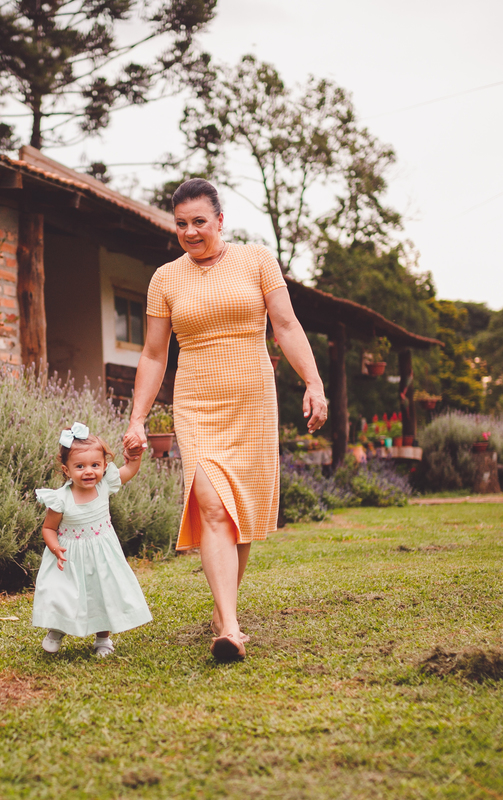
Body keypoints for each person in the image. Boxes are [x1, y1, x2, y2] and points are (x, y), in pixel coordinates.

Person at [123, 178, 327, 663]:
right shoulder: (164, 279)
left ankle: (222, 614)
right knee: (212, 503)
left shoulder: (257, 260)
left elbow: (285, 326)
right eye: (181, 224)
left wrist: (313, 383)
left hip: (252, 400)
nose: (191, 232)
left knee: (240, 514)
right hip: (197, 401)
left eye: (199, 221)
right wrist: (137, 418)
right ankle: (230, 629)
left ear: (220, 220)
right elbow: (154, 354)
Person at [33, 422, 153, 657]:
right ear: (66, 470)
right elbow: (48, 528)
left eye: (95, 465)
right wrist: (55, 547)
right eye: (80, 466)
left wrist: (135, 457)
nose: (89, 471)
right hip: (69, 557)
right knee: (63, 595)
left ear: (105, 466)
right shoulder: (60, 499)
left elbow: (129, 470)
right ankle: (56, 630)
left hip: (102, 555)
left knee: (103, 593)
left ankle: (103, 639)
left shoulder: (105, 484)